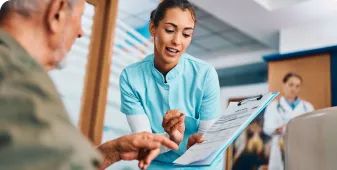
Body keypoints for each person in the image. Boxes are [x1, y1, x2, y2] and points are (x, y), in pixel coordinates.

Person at [0, 0, 179, 170]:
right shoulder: (20, 87)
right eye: (80, 16)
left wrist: (111, 152)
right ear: (57, 13)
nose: (80, 32)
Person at [119, 0, 223, 169]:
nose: (177, 41)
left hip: (198, 165)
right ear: (153, 28)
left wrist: (199, 144)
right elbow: (144, 145)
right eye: (169, 30)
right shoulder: (131, 77)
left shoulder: (205, 75)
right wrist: (172, 138)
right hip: (156, 164)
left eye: (186, 34)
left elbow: (207, 137)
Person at [263, 72, 315, 170]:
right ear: (284, 85)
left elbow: (313, 129)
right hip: (280, 147)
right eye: (291, 85)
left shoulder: (307, 107)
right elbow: (267, 128)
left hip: (302, 147)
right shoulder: (273, 106)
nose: (294, 89)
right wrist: (278, 129)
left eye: (297, 86)